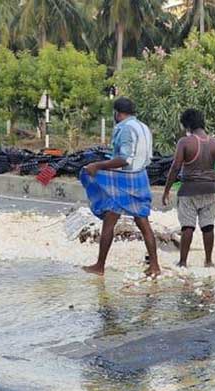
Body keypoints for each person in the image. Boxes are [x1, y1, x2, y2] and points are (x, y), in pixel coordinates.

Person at [81, 97, 160, 277]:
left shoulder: (125, 128)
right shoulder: (143, 127)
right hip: (141, 177)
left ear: (117, 113)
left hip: (125, 179)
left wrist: (98, 166)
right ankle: (155, 266)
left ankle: (99, 266)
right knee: (143, 222)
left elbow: (124, 159)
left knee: (110, 220)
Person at [162, 109, 215, 268]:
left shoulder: (184, 142)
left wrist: (166, 190)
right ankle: (208, 260)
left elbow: (175, 167)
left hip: (188, 190)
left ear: (188, 125)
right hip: (210, 190)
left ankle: (183, 262)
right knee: (208, 226)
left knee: (187, 227)